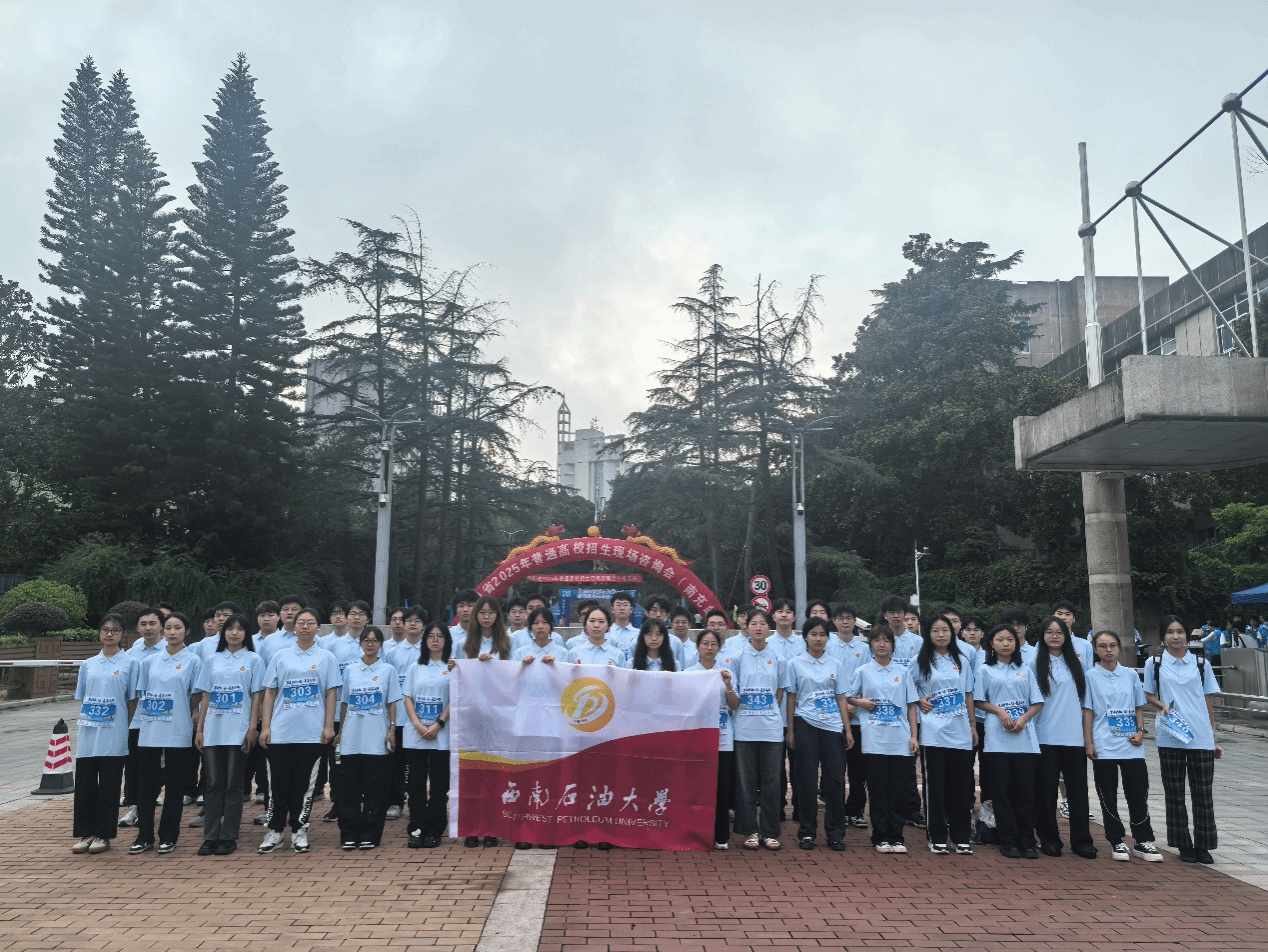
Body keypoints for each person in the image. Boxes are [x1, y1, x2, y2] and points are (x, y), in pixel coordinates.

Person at [257, 607, 341, 854]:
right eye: (301, 622)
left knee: (304, 786)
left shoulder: (326, 657)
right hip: (281, 731)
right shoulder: (281, 656)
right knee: (277, 785)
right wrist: (266, 727)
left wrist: (328, 726)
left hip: (312, 733)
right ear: (294, 626)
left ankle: (299, 830)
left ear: (318, 628)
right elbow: (270, 692)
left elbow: (331, 693)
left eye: (310, 622)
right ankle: (274, 831)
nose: (305, 626)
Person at [1145, 614, 1222, 864]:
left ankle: (1204, 845)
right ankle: (1183, 844)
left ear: (1187, 635)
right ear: (1163, 636)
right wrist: (1162, 706)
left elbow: (1208, 701)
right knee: (1174, 792)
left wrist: (1212, 736)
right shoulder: (1154, 663)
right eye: (1170, 632)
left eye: (1180, 631)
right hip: (1170, 735)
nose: (1175, 636)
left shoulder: (1201, 664)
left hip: (1200, 735)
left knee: (1203, 793)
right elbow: (1148, 694)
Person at [1083, 630, 1162, 862]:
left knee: (1138, 793)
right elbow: (1087, 711)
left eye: (1113, 645)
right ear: (1095, 649)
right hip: (1104, 744)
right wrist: (1088, 742)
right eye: (1103, 646)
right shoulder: (1090, 676)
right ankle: (1116, 839)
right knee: (1107, 795)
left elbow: (1139, 706)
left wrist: (1141, 731)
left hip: (1131, 744)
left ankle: (1143, 840)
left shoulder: (1130, 675)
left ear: (1119, 648)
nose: (1108, 650)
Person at [131, 612, 203, 855]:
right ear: (163, 631)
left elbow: (196, 694)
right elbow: (142, 693)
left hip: (178, 730)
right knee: (147, 786)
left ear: (187, 631)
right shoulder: (149, 662)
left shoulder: (193, 661)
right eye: (169, 628)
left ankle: (169, 836)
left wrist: (182, 710)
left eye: (178, 628)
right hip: (150, 730)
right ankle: (144, 836)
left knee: (174, 786)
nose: (172, 632)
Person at [194, 612, 265, 856]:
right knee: (213, 784)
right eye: (230, 628)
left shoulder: (254, 659)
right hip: (213, 730)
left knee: (234, 784)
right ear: (223, 632)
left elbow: (256, 695)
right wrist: (200, 729)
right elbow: (206, 695)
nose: (234, 633)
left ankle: (228, 836)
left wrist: (252, 727)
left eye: (240, 628)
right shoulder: (211, 659)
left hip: (239, 730)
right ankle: (210, 836)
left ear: (247, 633)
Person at [847, 625, 918, 854]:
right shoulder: (863, 671)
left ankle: (896, 836)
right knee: (878, 790)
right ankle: (880, 836)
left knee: (898, 790)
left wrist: (914, 736)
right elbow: (848, 696)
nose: (881, 644)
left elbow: (911, 705)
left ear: (892, 645)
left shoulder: (903, 672)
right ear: (871, 645)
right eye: (877, 640)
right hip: (874, 739)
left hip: (900, 739)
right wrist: (860, 702)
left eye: (886, 641)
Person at [974, 624, 1043, 859]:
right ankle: (1008, 840)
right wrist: (1000, 712)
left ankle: (1027, 840)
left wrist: (1023, 719)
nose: (1005, 643)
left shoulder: (1025, 670)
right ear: (992, 644)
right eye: (1000, 639)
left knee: (1025, 792)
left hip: (1025, 738)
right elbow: (978, 700)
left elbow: (1037, 702)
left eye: (1010, 640)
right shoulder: (984, 670)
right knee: (1001, 791)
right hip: (997, 738)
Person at [1029, 615, 1096, 859]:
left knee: (1077, 793)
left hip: (1074, 737)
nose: (1054, 636)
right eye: (1049, 632)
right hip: (1044, 736)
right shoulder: (1033, 664)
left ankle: (1082, 841)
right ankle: (1049, 839)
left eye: (1059, 632)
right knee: (1045, 793)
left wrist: (1088, 739)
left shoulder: (1077, 664)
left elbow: (1086, 703)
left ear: (1066, 636)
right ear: (1042, 635)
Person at [71, 614, 137, 854]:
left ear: (123, 634)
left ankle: (103, 834)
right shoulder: (88, 664)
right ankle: (85, 832)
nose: (109, 634)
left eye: (115, 630)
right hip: (89, 732)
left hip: (114, 733)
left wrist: (125, 726)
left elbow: (132, 700)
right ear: (99, 633)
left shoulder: (130, 663)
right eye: (105, 629)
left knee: (109, 784)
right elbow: (83, 698)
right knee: (85, 784)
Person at [784, 617, 851, 851]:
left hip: (832, 727)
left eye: (822, 635)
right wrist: (791, 730)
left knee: (835, 780)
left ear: (828, 638)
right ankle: (807, 832)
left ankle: (835, 833)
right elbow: (791, 698)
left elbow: (841, 697)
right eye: (813, 634)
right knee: (807, 781)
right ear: (805, 637)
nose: (818, 639)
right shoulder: (795, 664)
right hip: (805, 723)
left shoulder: (835, 664)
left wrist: (847, 729)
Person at [911, 614, 975, 855]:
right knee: (935, 788)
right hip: (933, 732)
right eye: (935, 630)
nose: (940, 634)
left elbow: (968, 694)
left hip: (960, 732)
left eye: (945, 630)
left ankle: (961, 837)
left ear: (952, 633)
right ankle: (936, 836)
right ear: (927, 634)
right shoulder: (920, 660)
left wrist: (972, 725)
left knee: (961, 787)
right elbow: (905, 688)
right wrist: (919, 700)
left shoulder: (962, 660)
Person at [335, 626, 401, 850]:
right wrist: (341, 731)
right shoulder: (350, 670)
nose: (370, 644)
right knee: (349, 790)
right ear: (360, 643)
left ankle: (370, 834)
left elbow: (392, 703)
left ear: (381, 644)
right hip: (352, 739)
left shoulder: (388, 670)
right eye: (366, 640)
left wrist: (392, 729)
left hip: (376, 739)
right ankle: (349, 833)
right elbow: (345, 703)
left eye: (374, 640)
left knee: (375, 791)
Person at [727, 608, 786, 851]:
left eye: (763, 623)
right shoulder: (738, 657)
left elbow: (780, 691)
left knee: (772, 782)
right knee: (746, 782)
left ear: (769, 627)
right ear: (747, 626)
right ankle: (749, 830)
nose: (758, 627)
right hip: (745, 729)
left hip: (771, 729)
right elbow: (734, 692)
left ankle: (770, 832)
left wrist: (769, 711)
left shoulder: (778, 658)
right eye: (754, 623)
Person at [685, 628, 739, 850]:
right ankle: (694, 832)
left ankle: (721, 835)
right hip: (697, 738)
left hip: (723, 737)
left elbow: (735, 705)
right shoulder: (689, 673)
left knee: (721, 789)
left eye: (713, 644)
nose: (709, 648)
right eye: (705, 644)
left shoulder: (726, 673)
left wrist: (728, 686)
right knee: (697, 788)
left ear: (719, 648)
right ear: (697, 647)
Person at [405, 622, 454, 849]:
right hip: (416, 735)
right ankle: (416, 828)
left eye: (440, 636)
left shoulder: (452, 667)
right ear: (425, 641)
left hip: (441, 735)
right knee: (415, 785)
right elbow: (408, 697)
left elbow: (455, 698)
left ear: (447, 640)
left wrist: (439, 724)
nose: (435, 640)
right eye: (431, 636)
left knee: (438, 786)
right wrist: (417, 724)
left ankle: (435, 829)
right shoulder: (415, 667)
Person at [119, 607, 165, 829]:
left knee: (154, 766)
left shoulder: (170, 650)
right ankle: (133, 805)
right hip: (135, 719)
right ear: (137, 628)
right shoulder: (131, 653)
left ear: (161, 626)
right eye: (143, 624)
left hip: (159, 718)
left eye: (152, 623)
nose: (148, 628)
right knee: (133, 764)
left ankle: (149, 803)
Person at [827, 603, 871, 829]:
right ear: (834, 621)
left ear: (855, 621)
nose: (845, 622)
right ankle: (837, 811)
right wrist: (843, 706)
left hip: (858, 716)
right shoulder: (828, 645)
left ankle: (856, 810)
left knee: (858, 768)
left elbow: (869, 678)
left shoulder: (864, 648)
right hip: (832, 716)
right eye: (840, 618)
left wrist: (854, 704)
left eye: (849, 618)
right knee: (835, 768)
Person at [383, 605, 426, 821]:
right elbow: (388, 684)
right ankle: (395, 801)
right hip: (398, 716)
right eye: (409, 620)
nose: (412, 624)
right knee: (396, 762)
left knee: (418, 764)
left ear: (424, 625)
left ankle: (418, 804)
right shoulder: (392, 652)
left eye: (417, 620)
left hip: (422, 716)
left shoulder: (428, 651)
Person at [455, 596, 511, 661]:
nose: (486, 617)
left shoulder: (509, 641)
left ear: (497, 615)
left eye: (491, 612)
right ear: (476, 615)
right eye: (482, 613)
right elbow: (460, 666)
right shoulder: (463, 643)